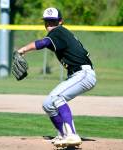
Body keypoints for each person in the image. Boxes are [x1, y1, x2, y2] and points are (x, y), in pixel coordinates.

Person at [18, 7, 96, 146]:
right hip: (77, 74)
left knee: (58, 97)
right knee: (48, 104)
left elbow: (43, 43)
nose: (49, 25)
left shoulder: (58, 31)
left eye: (52, 21)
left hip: (83, 74)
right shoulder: (60, 34)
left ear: (60, 21)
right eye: (47, 21)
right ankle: (63, 135)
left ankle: (72, 135)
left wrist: (23, 50)